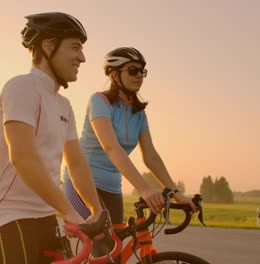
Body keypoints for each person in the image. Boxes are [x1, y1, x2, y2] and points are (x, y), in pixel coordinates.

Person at [0, 12, 103, 264]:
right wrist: (68, 210)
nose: (82, 57)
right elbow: (22, 156)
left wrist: (96, 209)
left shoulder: (64, 105)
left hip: (46, 215)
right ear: (48, 46)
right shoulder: (21, 88)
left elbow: (76, 163)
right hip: (10, 216)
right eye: (75, 47)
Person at [63, 47, 197, 227]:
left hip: (112, 187)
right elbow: (111, 147)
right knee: (103, 242)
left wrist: (175, 193)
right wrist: (145, 189)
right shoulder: (99, 101)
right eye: (133, 70)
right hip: (82, 185)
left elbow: (151, 156)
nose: (139, 75)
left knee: (115, 249)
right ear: (114, 74)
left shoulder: (139, 113)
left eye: (142, 71)